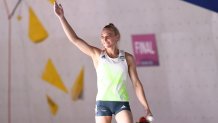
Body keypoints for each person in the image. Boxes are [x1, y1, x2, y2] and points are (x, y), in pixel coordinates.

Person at [54, 1, 153, 123]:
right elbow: (75, 39)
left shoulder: (128, 58)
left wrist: (146, 107)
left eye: (108, 35)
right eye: (102, 36)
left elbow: (137, 84)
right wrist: (62, 17)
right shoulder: (97, 55)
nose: (104, 39)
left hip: (121, 103)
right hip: (102, 104)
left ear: (117, 37)